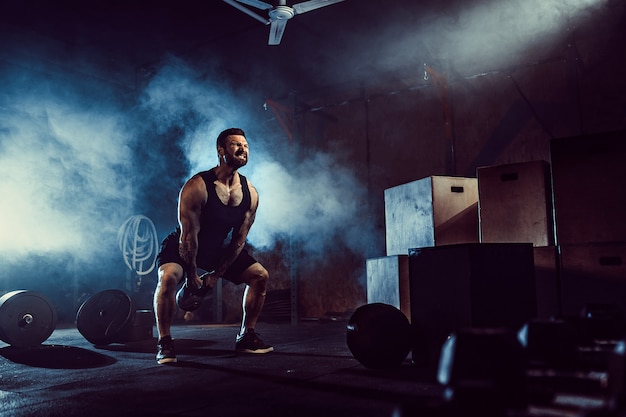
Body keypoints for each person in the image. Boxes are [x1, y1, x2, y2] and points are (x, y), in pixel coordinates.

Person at [153, 127, 273, 364]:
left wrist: (216, 275)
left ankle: (246, 336)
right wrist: (190, 275)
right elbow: (188, 238)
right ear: (221, 151)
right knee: (167, 278)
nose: (243, 149)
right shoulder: (197, 186)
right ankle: (165, 341)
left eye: (246, 146)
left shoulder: (251, 193)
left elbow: (239, 240)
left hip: (217, 248)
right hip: (183, 245)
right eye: (236, 145)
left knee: (260, 276)